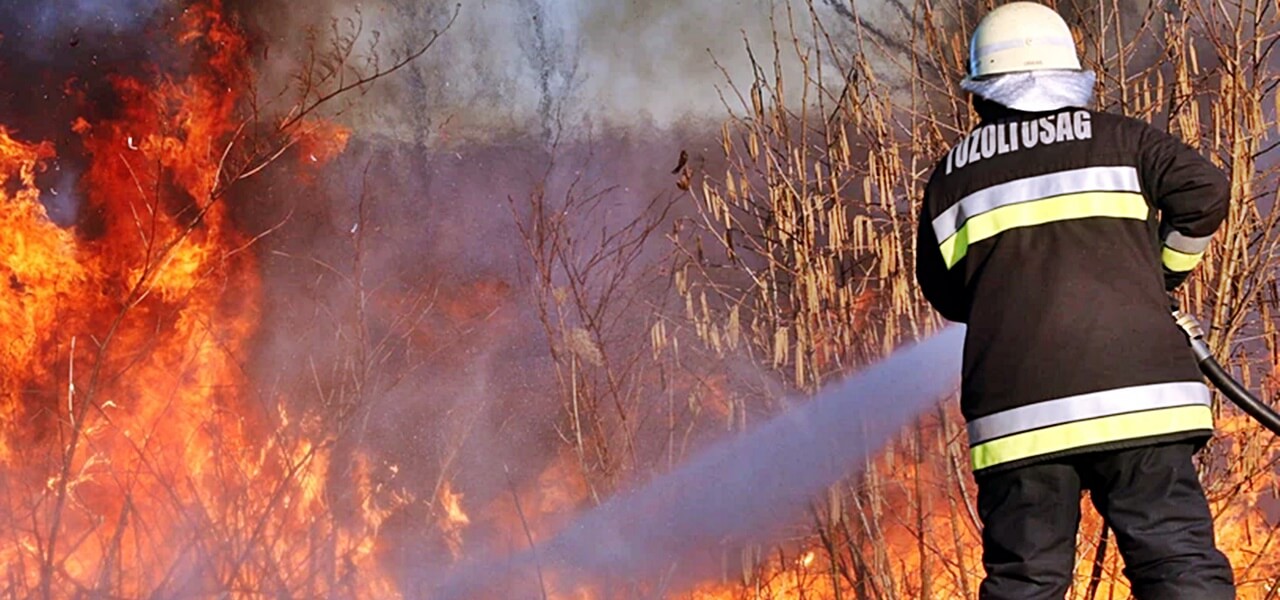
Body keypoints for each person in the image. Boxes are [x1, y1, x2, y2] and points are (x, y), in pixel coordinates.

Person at [913, 2, 1237, 598]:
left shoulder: (952, 176)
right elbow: (1206, 190)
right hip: (1145, 400)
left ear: (981, 89)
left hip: (1019, 422)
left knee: (1027, 583)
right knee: (1178, 566)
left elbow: (945, 294)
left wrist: (1008, 294)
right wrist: (1161, 273)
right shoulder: (1123, 138)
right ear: (1070, 74)